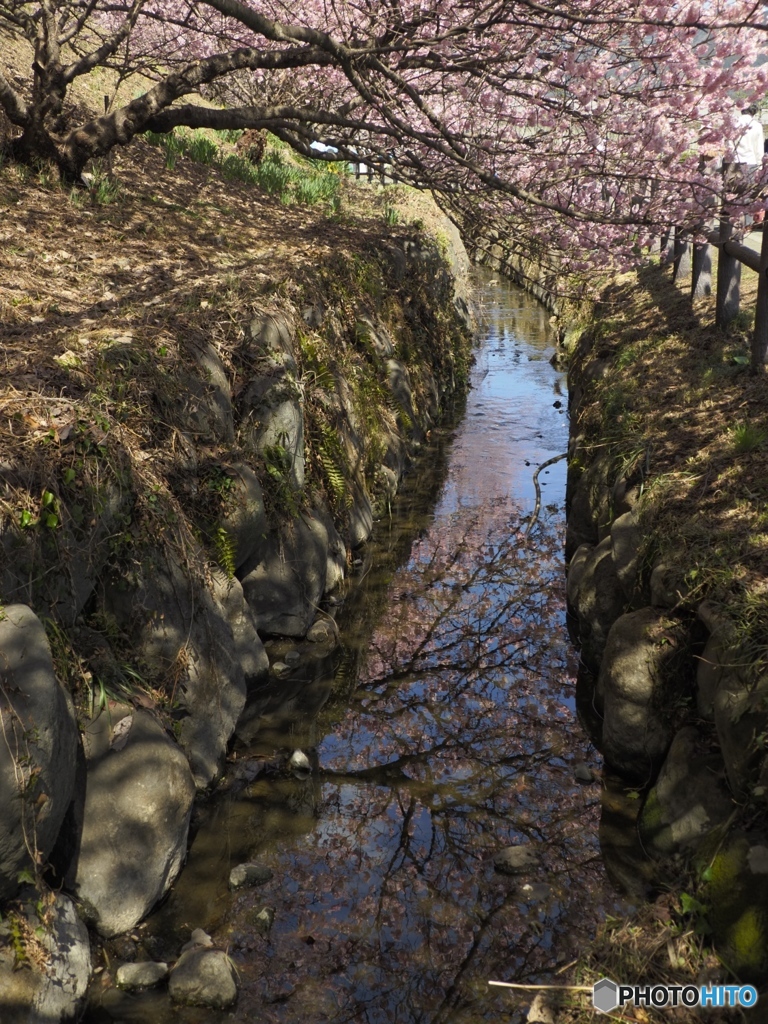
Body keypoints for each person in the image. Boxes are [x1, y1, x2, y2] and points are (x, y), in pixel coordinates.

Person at [734, 104, 765, 225]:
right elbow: (759, 148)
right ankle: (745, 224)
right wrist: (760, 166)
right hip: (750, 162)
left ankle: (731, 222)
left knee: (732, 194)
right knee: (747, 195)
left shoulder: (734, 122)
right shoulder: (756, 125)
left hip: (733, 162)